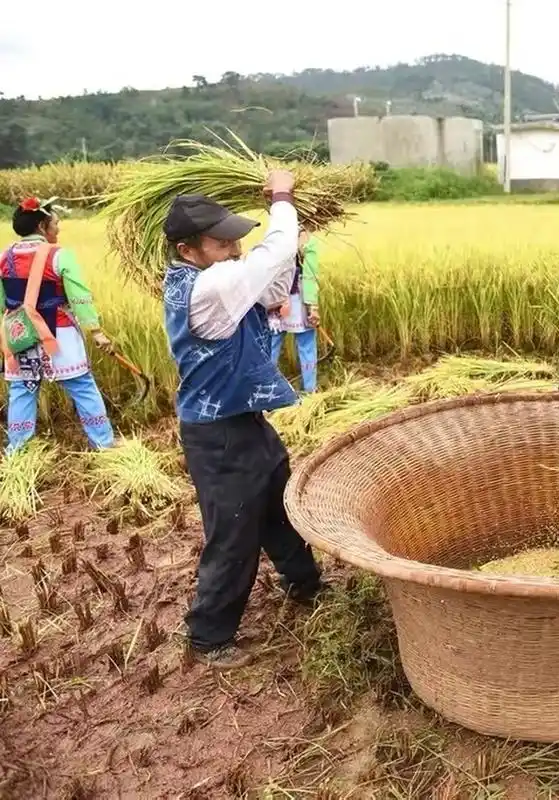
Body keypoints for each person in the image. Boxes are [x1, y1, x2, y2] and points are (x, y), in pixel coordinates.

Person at [162, 172, 324, 670]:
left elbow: (272, 282)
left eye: (235, 238)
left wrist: (291, 245)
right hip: (217, 435)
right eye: (221, 241)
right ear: (188, 250)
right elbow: (265, 261)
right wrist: (281, 199)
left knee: (278, 497)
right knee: (232, 531)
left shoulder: (219, 280)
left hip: (243, 421)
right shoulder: (205, 289)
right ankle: (209, 637)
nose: (233, 247)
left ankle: (305, 585)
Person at [2, 197, 115, 455]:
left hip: (20, 335)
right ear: (42, 226)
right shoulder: (59, 255)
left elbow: (2, 302)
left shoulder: (4, 256)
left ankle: (17, 452)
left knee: (22, 389)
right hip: (58, 333)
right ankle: (105, 446)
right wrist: (95, 330)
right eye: (55, 223)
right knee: (82, 386)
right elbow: (79, 296)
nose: (58, 228)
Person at [268, 228, 320, 393]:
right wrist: (313, 307)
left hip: (276, 299)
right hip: (298, 301)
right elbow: (311, 276)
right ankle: (310, 391)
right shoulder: (307, 240)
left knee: (271, 345)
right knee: (306, 346)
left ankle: (266, 389)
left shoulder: (274, 237)